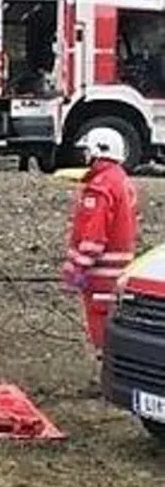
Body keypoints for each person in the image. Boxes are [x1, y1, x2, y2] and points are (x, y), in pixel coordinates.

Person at [62, 128, 139, 362]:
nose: (84, 156)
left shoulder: (99, 188)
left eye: (87, 151)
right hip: (120, 267)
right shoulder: (121, 180)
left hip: (100, 272)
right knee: (116, 321)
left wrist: (77, 268)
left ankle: (108, 373)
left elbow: (93, 238)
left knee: (101, 325)